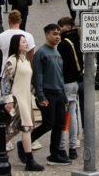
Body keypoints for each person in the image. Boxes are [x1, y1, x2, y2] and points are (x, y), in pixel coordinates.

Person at [31, 23, 71, 166]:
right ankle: (26, 142)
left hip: (59, 93)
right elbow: (38, 76)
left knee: (59, 124)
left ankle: (54, 154)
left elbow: (60, 76)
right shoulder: (41, 53)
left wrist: (64, 96)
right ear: (47, 34)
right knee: (48, 123)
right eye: (54, 34)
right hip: (48, 92)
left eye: (59, 34)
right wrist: (40, 95)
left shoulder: (57, 53)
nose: (57, 37)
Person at [3, 34, 43, 172]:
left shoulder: (25, 61)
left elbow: (28, 82)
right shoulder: (12, 61)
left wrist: (37, 96)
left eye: (26, 42)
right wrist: (8, 99)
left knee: (15, 129)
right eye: (23, 42)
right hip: (17, 99)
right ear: (16, 44)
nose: (26, 44)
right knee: (26, 127)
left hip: (26, 98)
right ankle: (29, 159)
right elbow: (7, 81)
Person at [57, 16, 83, 160]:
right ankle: (73, 146)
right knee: (72, 115)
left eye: (60, 27)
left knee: (63, 116)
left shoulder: (64, 44)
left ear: (66, 27)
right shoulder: (77, 40)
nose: (58, 31)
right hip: (74, 82)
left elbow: (61, 66)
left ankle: (62, 147)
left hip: (65, 82)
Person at [0, 10, 36, 77]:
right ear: (20, 21)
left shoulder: (0, 37)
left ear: (9, 21)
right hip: (22, 73)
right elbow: (31, 57)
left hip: (6, 72)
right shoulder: (28, 36)